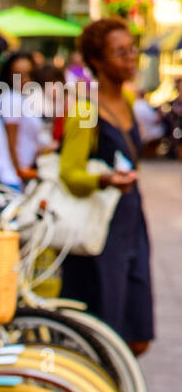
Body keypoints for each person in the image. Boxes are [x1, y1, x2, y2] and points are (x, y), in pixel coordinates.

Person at [59, 18, 153, 355]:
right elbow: (69, 172)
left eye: (132, 49)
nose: (130, 58)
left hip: (131, 223)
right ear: (97, 60)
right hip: (101, 231)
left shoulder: (126, 103)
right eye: (120, 52)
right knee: (105, 331)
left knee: (138, 331)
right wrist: (104, 179)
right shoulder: (85, 107)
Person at [0, 50, 44, 179]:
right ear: (9, 75)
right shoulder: (12, 99)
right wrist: (20, 173)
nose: (24, 79)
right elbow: (10, 144)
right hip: (16, 176)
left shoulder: (22, 99)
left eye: (28, 74)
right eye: (17, 74)